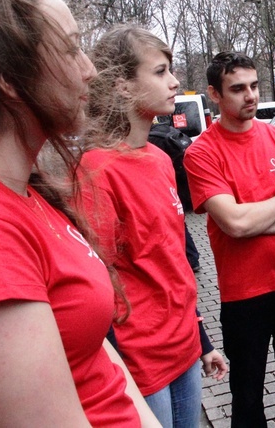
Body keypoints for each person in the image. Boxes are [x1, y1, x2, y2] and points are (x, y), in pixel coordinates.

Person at [0, 0, 158, 426]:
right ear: (8, 81)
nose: (89, 70)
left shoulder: (25, 192)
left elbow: (94, 355)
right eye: (71, 50)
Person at [79, 24, 227, 428]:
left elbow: (173, 262)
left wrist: (203, 341)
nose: (175, 81)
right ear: (124, 87)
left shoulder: (160, 159)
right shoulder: (97, 169)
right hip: (139, 359)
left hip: (183, 348)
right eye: (160, 71)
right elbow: (98, 283)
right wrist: (115, 371)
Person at [183, 52, 275, 427]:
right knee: (247, 394)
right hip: (244, 292)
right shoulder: (202, 152)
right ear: (215, 94)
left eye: (254, 86)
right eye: (237, 89)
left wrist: (251, 219)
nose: (250, 96)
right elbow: (233, 224)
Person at [148, 117, 202, 272]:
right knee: (180, 222)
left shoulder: (151, 139)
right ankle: (192, 258)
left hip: (168, 187)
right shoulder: (166, 130)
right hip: (180, 185)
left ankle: (191, 259)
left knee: (178, 223)